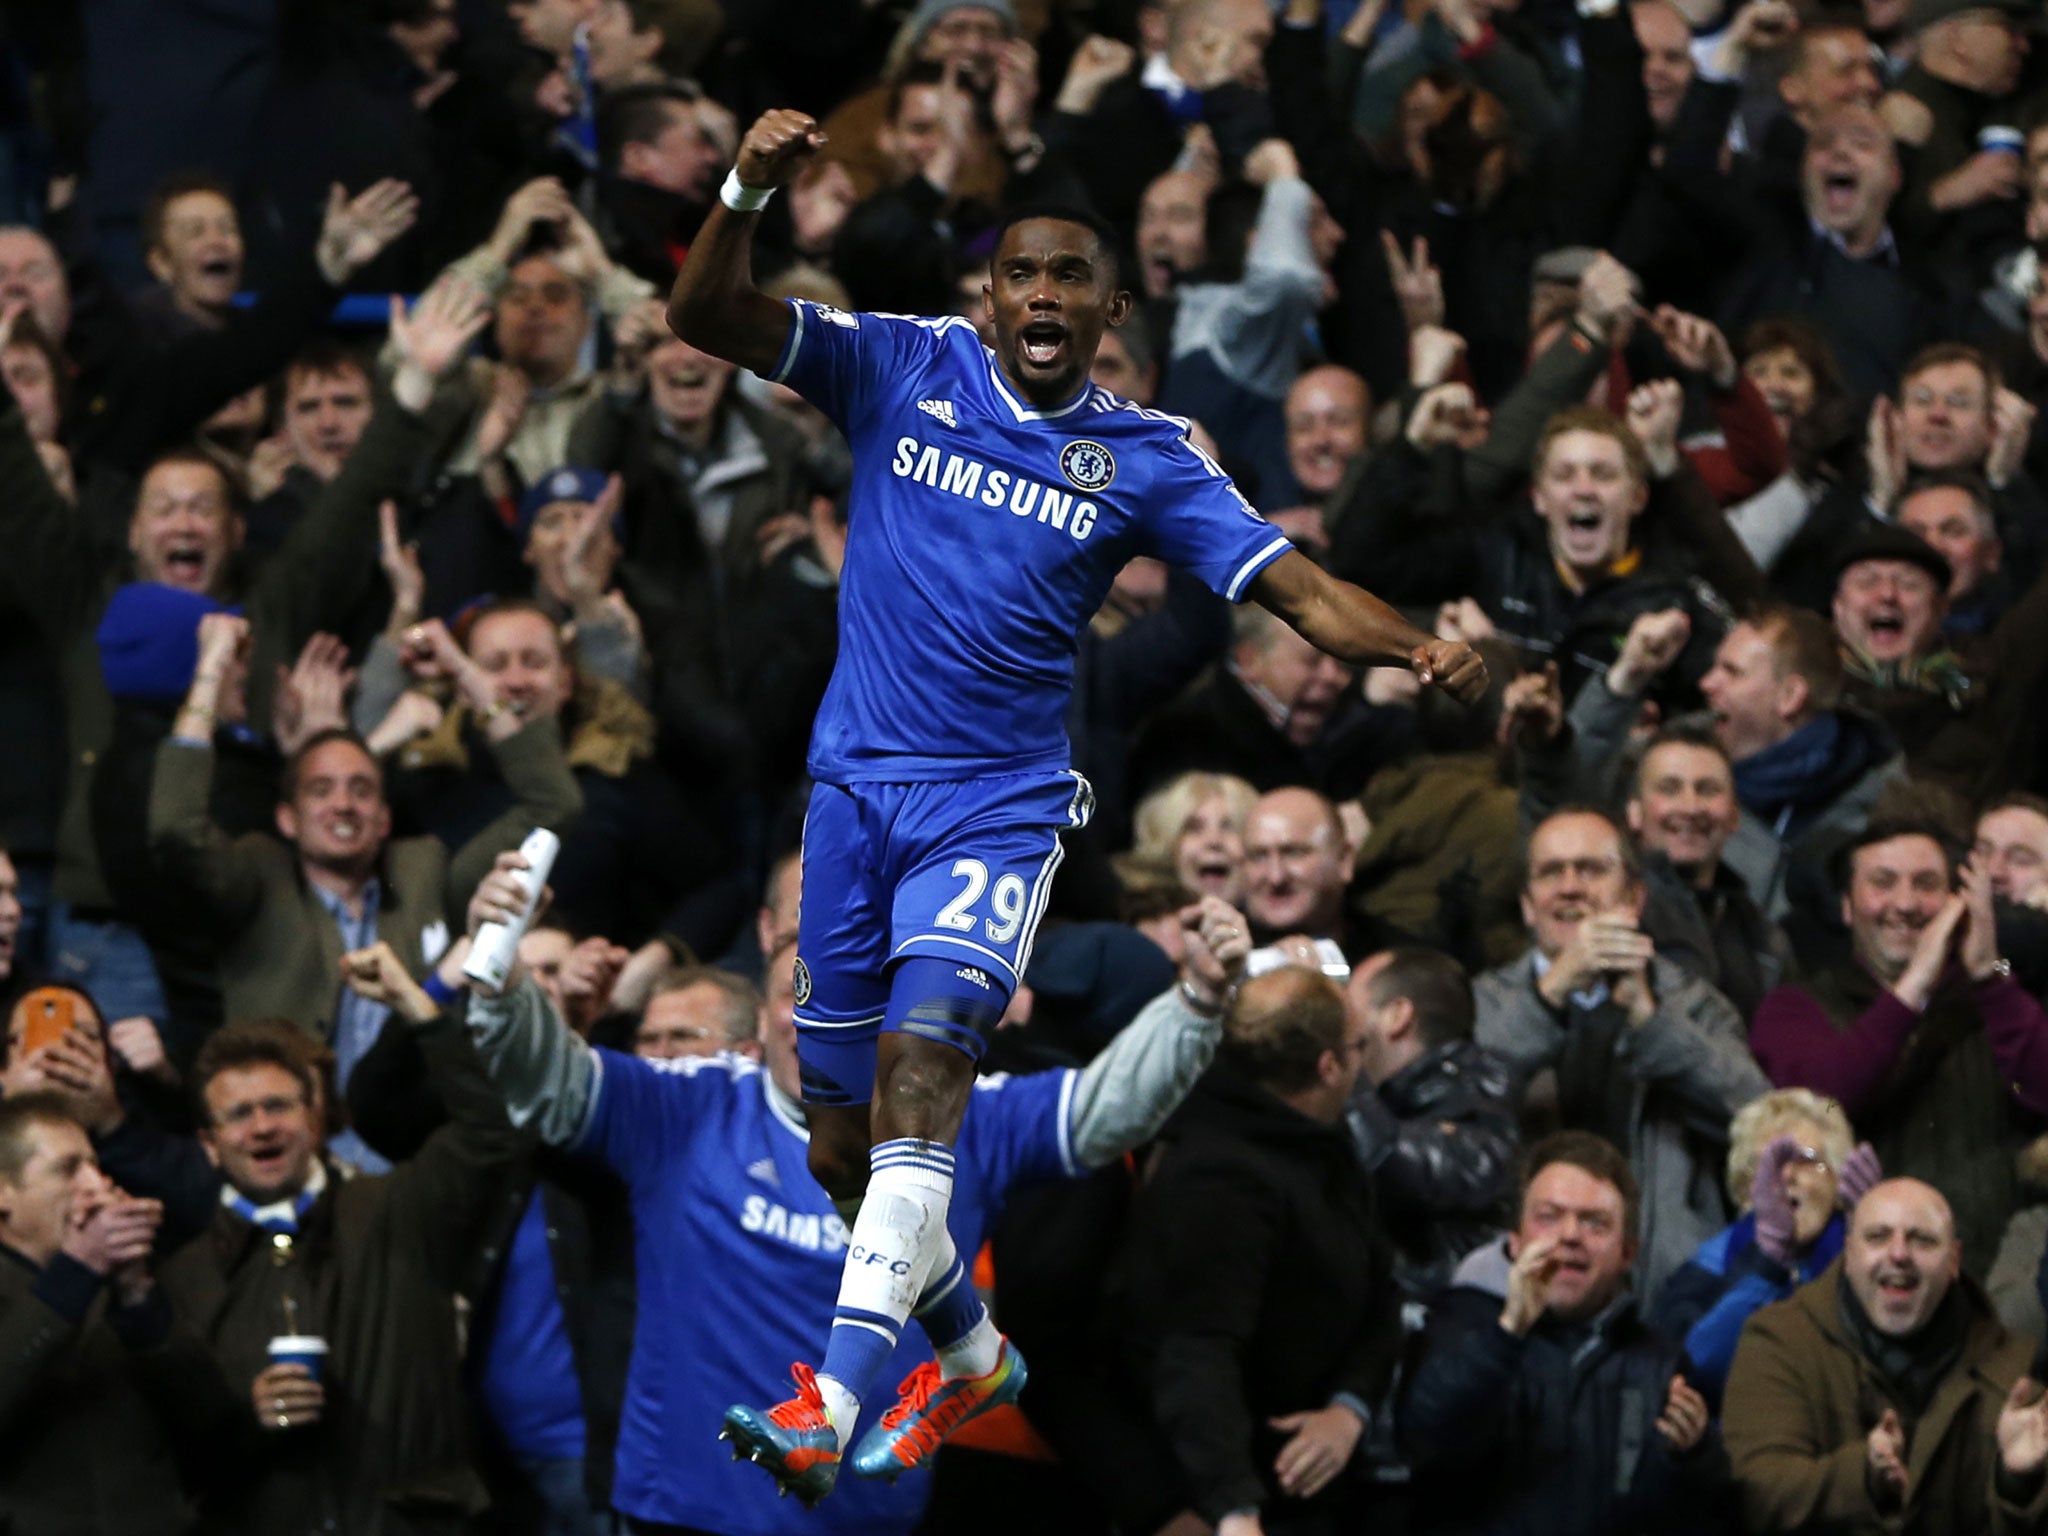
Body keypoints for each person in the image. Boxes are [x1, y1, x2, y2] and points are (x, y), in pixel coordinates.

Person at [664, 108, 1486, 1502]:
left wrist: (1414, 648)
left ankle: (830, 1403)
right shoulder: (903, 363)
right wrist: (747, 184)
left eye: (1069, 281)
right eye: (1020, 275)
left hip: (994, 811)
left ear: (1110, 308)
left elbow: (1294, 589)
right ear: (992, 297)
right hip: (853, 794)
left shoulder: (1152, 455)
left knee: (933, 1062)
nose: (1042, 297)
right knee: (837, 1140)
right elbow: (707, 314)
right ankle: (972, 1354)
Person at [462, 856, 1261, 1534]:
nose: (815, 1013)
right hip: (685, 1515)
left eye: (849, 994)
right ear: (762, 1014)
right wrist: (497, 974)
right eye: (792, 991)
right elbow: (547, 1080)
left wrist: (1197, 1002)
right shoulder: (686, 1107)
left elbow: (1104, 1107)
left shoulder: (963, 1116)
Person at [148, 614, 579, 1164]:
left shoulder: (423, 869)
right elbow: (173, 828)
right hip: (292, 1156)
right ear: (287, 817)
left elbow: (552, 806)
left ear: (383, 818)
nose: (344, 805)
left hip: (418, 1150)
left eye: (362, 790)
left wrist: (465, 673)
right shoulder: (257, 876)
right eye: (321, 791)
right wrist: (209, 668)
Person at [152, 981, 524, 1535]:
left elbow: (493, 1130)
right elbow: (180, 1455)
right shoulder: (185, 1278)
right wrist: (250, 1420)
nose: (261, 1127)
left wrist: (422, 1009)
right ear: (209, 1143)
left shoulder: (397, 1209)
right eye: (239, 1114)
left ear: (315, 1115)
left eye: (278, 1105)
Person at [1107, 963, 1401, 1536]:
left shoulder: (1328, 1144)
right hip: (1226, 1501)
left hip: (1314, 1484)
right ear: (1329, 1066)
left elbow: (1381, 1292)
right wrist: (1234, 1508)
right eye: (1359, 1045)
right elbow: (1196, 1350)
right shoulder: (1217, 1178)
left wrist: (1349, 1411)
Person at [1475, 808, 1768, 1294]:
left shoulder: (1693, 1004)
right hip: (1519, 1283)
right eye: (1552, 872)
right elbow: (1463, 1102)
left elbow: (1756, 1118)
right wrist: (1551, 994)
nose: (1570, 887)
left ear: (1634, 896)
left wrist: (1649, 1017)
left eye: (1591, 869)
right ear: (1528, 906)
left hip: (1660, 1290)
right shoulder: (1482, 1000)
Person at [1750, 818, 2048, 1277]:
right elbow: (1824, 1103)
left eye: (1926, 885)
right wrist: (1913, 988)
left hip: (1992, 1286)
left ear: (1959, 903)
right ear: (1847, 907)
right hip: (1852, 1287)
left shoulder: (1996, 995)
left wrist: (1990, 972)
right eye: (1883, 884)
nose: (1906, 904)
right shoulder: (1794, 1006)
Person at [1399, 1131, 1730, 1534]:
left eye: (1595, 1223)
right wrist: (1509, 1332)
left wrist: (1696, 1457)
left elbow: (1704, 1511)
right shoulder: (1462, 1322)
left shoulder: (1659, 1362)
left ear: (1628, 1253)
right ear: (1516, 1243)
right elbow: (1428, 1441)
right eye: (1549, 1216)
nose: (1570, 1236)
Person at [1722, 1178, 2048, 1531]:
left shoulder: (2013, 1370)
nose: (1899, 1254)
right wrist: (1862, 1477)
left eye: (1922, 1239)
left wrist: (2016, 1482)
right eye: (1877, 1236)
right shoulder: (1779, 1342)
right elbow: (1758, 1496)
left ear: (1954, 1260)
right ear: (1847, 1256)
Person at [0, 1093, 224, 1536]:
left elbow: (213, 1429)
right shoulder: (78, 1276)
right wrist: (77, 1270)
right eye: (68, 1169)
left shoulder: (113, 1291)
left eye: (96, 1166)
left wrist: (138, 1294)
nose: (98, 1183)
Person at [1649, 1089, 1878, 1405]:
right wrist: (1766, 1263)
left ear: (1839, 1179)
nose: (1786, 1175)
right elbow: (1689, 1373)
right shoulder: (1709, 1266)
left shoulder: (1876, 1251)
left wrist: (1874, 1244)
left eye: (1805, 1160)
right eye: (1767, 1164)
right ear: (1747, 1190)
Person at [1344, 946, 1518, 1300]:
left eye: (1349, 1008)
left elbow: (1395, 1161)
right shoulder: (1381, 1101)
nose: (1341, 1021)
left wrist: (1338, 1057)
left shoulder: (1479, 1092)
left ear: (1397, 1016)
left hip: (1442, 1330)